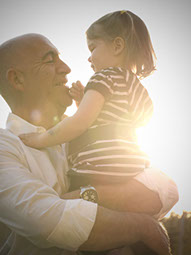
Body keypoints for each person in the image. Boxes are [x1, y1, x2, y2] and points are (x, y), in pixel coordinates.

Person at [0, 32, 178, 255]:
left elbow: (164, 188)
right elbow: (50, 220)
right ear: (17, 79)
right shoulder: (4, 147)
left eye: (61, 58)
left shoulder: (91, 132)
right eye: (50, 59)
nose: (66, 68)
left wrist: (87, 195)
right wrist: (143, 226)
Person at [21, 11, 159, 194]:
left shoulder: (103, 77)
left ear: (117, 46)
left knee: (58, 205)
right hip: (132, 170)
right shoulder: (139, 89)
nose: (89, 57)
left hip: (96, 170)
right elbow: (112, 122)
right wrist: (82, 101)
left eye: (92, 48)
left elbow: (80, 123)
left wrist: (40, 139)